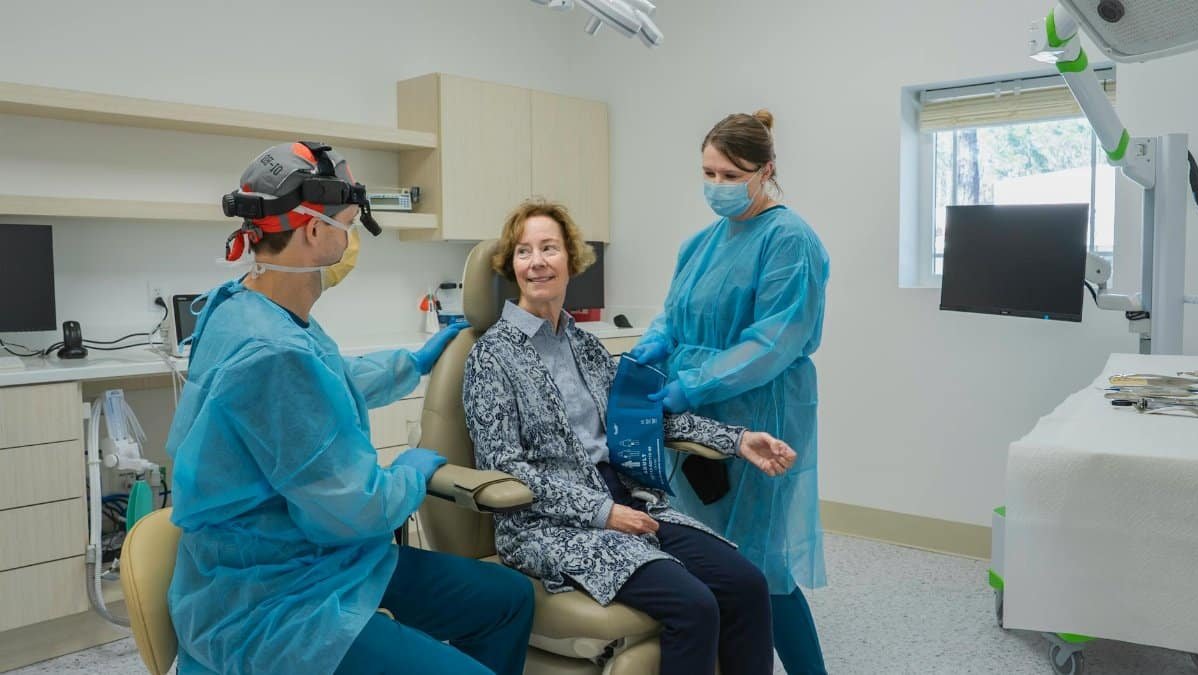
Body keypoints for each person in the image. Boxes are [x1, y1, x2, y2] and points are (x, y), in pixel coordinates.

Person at [166, 141, 534, 675]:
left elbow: (328, 381)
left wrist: (413, 362)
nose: (351, 239)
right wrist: (410, 470)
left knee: (507, 598)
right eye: (348, 224)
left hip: (317, 558)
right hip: (275, 601)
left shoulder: (250, 304)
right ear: (315, 232)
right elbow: (356, 509)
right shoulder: (272, 351)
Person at [464, 198, 798, 675]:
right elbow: (506, 469)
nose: (537, 262)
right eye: (523, 252)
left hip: (632, 502)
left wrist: (738, 440)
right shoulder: (490, 358)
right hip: (550, 526)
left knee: (746, 583)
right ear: (510, 267)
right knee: (695, 605)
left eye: (549, 248)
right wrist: (602, 512)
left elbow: (644, 421)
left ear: (570, 259)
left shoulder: (584, 344)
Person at [630, 110, 830, 674]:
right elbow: (673, 316)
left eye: (729, 175)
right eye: (708, 173)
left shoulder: (790, 240)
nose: (715, 187)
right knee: (707, 553)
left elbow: (773, 342)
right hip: (697, 416)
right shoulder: (701, 243)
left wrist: (692, 384)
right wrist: (652, 349)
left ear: (765, 170)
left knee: (762, 565)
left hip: (761, 410)